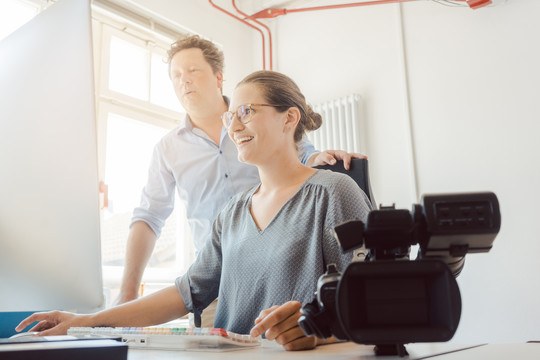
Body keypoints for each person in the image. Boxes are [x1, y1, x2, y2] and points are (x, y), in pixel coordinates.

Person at [16, 70, 373, 351]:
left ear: (289, 118)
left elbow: (374, 300)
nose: (232, 126)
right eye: (231, 115)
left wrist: (320, 334)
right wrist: (87, 322)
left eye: (246, 112)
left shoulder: (334, 193)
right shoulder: (233, 212)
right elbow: (186, 292)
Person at [116, 34, 366, 319]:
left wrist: (322, 165)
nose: (183, 81)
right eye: (175, 75)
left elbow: (299, 156)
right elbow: (154, 224)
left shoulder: (329, 190)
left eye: (193, 70)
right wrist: (102, 312)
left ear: (218, 76)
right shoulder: (227, 211)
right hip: (218, 281)